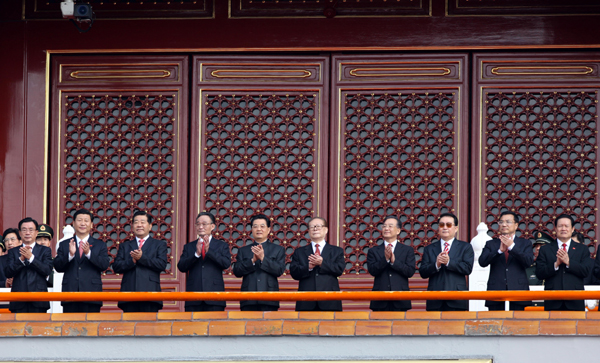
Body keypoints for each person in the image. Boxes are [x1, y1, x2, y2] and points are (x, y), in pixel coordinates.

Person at [53, 209, 110, 313]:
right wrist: (70, 255)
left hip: (92, 294)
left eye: (86, 220)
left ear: (91, 224)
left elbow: (104, 265)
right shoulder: (65, 244)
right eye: (79, 220)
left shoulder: (100, 245)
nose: (83, 223)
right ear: (74, 223)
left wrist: (89, 254)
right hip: (70, 293)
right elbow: (57, 267)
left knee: (92, 327)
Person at [113, 211, 167, 313]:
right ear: (132, 226)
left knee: (149, 327)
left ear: (150, 226)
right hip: (128, 293)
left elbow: (162, 264)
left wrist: (142, 258)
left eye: (143, 222)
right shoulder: (125, 245)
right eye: (136, 222)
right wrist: (132, 261)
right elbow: (116, 267)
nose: (139, 225)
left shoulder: (159, 244)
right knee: (129, 327)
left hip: (150, 294)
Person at [478, 211, 533, 311]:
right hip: (496, 290)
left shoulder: (525, 243)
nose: (504, 224)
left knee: (518, 324)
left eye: (508, 222)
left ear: (516, 225)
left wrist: (512, 247)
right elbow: (482, 262)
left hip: (518, 290)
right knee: (496, 324)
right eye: (501, 222)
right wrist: (499, 251)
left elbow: (528, 262)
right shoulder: (491, 244)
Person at [419, 212, 474, 311]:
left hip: (457, 297)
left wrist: (449, 262)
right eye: (441, 225)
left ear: (456, 228)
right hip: (435, 297)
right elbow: (423, 272)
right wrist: (436, 264)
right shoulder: (429, 248)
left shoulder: (465, 247)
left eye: (448, 225)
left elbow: (467, 269)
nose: (445, 227)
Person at [536, 214, 591, 311]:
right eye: (560, 226)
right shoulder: (545, 249)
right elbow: (539, 273)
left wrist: (569, 262)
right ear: (555, 229)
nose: (563, 229)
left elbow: (586, 271)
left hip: (575, 300)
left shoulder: (582, 249)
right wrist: (556, 264)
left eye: (566, 226)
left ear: (572, 229)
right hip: (553, 300)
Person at [178, 212, 231, 311]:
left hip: (215, 296)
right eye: (198, 224)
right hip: (193, 296)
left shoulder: (221, 245)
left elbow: (226, 264)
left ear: (212, 226)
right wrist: (196, 254)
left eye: (204, 224)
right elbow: (181, 267)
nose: (200, 227)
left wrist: (209, 251)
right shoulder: (189, 246)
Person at [290, 217, 345, 311]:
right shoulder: (300, 251)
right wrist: (308, 267)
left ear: (326, 230)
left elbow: (339, 270)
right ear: (308, 231)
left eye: (318, 226)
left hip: (329, 300)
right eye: (312, 227)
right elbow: (294, 273)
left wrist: (322, 263)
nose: (315, 229)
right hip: (306, 300)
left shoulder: (337, 251)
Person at [233, 214, 285, 311]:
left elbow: (279, 270)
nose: (259, 229)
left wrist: (263, 258)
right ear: (252, 230)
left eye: (262, 226)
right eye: (255, 226)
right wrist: (252, 261)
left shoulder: (278, 249)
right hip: (248, 298)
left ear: (268, 229)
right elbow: (237, 271)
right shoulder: (243, 250)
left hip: (269, 297)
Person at [3, 217, 53, 313]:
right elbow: (8, 272)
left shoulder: (45, 250)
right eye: (24, 230)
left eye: (31, 230)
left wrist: (31, 258)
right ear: (20, 233)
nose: (27, 233)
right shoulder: (13, 251)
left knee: (38, 327)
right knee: (17, 328)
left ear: (36, 232)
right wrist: (21, 260)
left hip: (38, 299)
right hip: (18, 299)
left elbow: (47, 270)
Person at [366, 216, 416, 311]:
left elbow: (410, 272)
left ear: (398, 231)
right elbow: (372, 271)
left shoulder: (407, 250)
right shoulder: (373, 251)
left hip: (401, 299)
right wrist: (385, 259)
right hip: (380, 299)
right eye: (384, 226)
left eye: (390, 226)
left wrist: (394, 262)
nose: (386, 228)